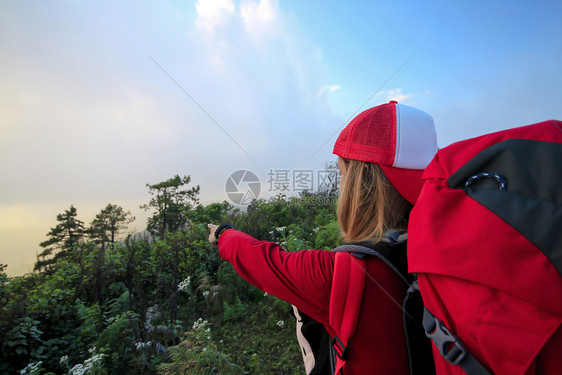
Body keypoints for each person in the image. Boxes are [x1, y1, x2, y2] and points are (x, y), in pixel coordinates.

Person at [208, 101, 438, 374]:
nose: (340, 185)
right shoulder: (447, 250)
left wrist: (223, 234)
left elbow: (266, 262)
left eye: (343, 174)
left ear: (361, 183)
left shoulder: (338, 273)